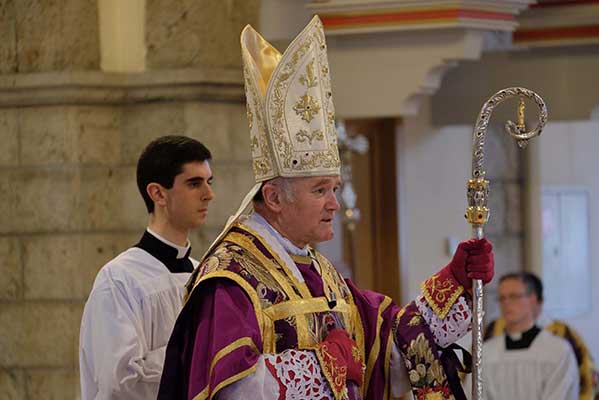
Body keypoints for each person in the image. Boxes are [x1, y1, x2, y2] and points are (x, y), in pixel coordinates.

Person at [158, 16, 494, 400]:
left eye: (335, 188)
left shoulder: (321, 273)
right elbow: (230, 389)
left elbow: (394, 351)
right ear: (274, 197)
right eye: (320, 190)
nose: (334, 203)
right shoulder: (233, 279)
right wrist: (323, 365)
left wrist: (455, 283)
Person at [79, 135, 214, 400]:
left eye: (210, 182)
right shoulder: (120, 279)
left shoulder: (204, 274)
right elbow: (120, 382)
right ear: (158, 193)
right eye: (194, 183)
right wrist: (200, 352)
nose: (209, 195)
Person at [484, 272, 599, 400]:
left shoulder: (559, 347)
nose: (506, 303)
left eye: (514, 296)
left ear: (533, 299)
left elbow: (580, 383)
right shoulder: (487, 348)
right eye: (502, 298)